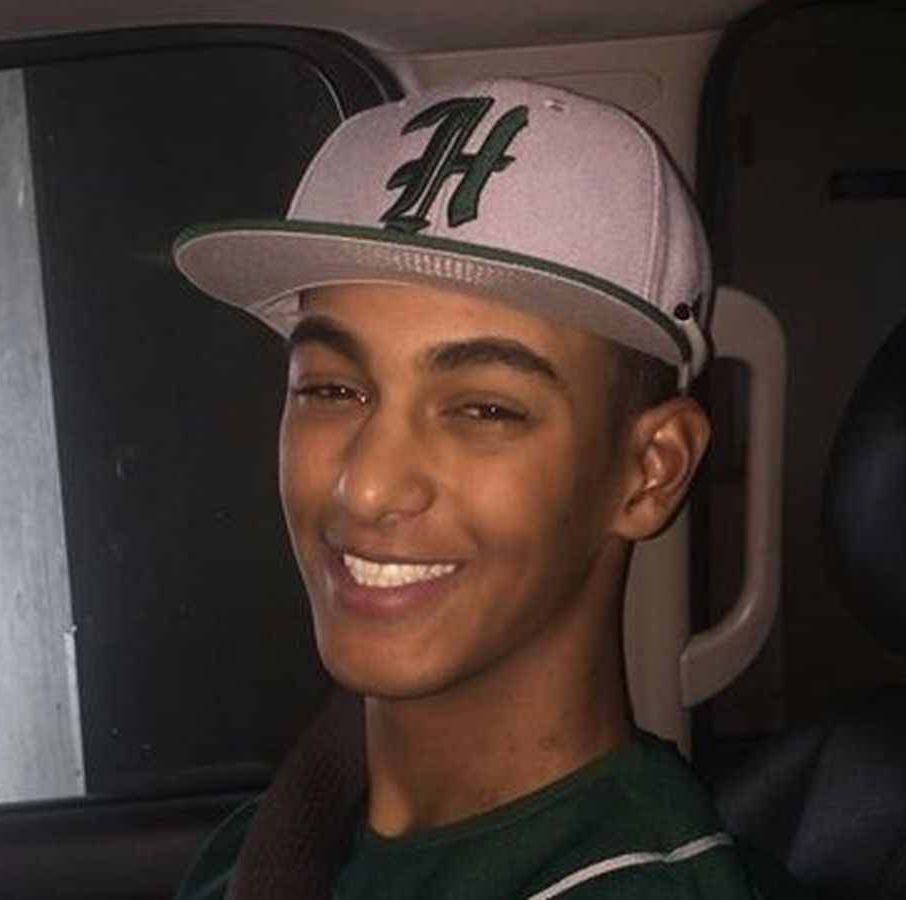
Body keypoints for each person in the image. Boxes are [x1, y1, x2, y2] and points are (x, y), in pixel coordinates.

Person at [171, 79, 809, 899]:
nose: (366, 488)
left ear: (653, 470)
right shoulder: (269, 840)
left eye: (484, 409)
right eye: (331, 389)